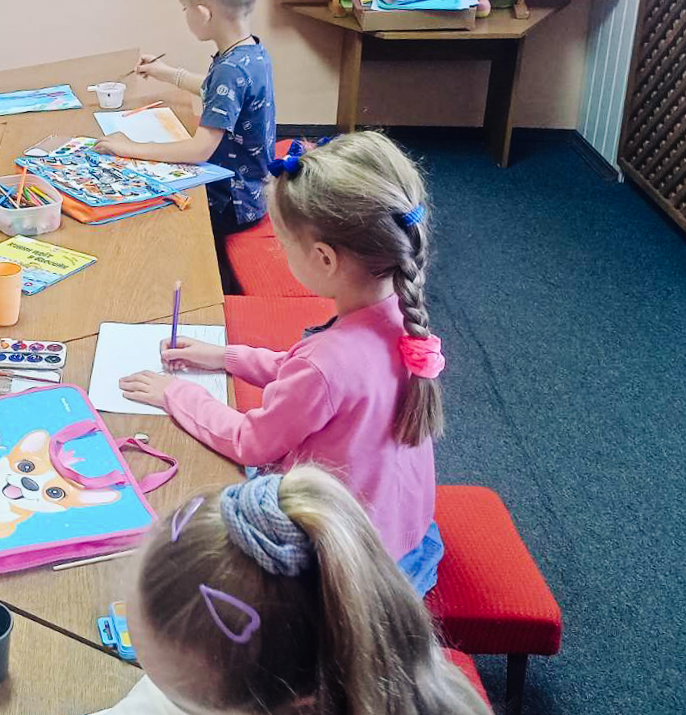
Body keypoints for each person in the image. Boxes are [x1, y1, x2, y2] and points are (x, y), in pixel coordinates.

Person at [17, 468, 520, 715]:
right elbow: (196, 689)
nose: (183, 704)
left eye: (198, 708)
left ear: (285, 706)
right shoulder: (339, 654)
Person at [119, 133, 444, 591]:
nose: (281, 251)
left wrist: (177, 393)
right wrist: (226, 357)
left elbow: (251, 443)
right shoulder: (402, 317)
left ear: (324, 258)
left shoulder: (327, 364)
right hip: (408, 533)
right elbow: (312, 378)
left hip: (350, 568)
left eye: (284, 244)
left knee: (187, 532)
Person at [95, 0, 275, 237]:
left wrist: (128, 147)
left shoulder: (230, 70)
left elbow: (198, 149)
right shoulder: (250, 52)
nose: (185, 14)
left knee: (139, 219)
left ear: (203, 13)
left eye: (184, 7)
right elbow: (218, 91)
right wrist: (167, 73)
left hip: (231, 202)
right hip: (252, 191)